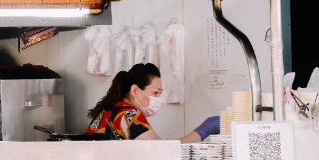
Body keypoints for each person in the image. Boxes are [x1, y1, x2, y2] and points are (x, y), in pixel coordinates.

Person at [86, 62, 220, 143]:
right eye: (156, 92)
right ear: (135, 90)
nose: (158, 98)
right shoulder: (130, 115)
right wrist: (203, 131)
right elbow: (163, 150)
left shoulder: (105, 112)